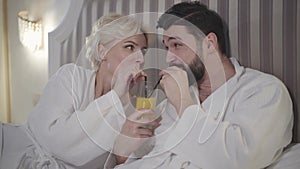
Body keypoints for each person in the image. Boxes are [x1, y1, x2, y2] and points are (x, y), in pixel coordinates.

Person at [105, 2, 294, 169]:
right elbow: (151, 153)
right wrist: (123, 152)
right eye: (166, 47)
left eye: (177, 45)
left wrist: (184, 104)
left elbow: (240, 160)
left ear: (209, 43)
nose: (169, 58)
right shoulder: (173, 101)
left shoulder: (264, 91)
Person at [0, 14, 161, 169]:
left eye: (143, 51)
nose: (140, 58)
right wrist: (115, 94)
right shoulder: (70, 77)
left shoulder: (131, 111)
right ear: (102, 51)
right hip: (13, 152)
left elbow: (123, 159)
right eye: (130, 47)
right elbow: (55, 141)